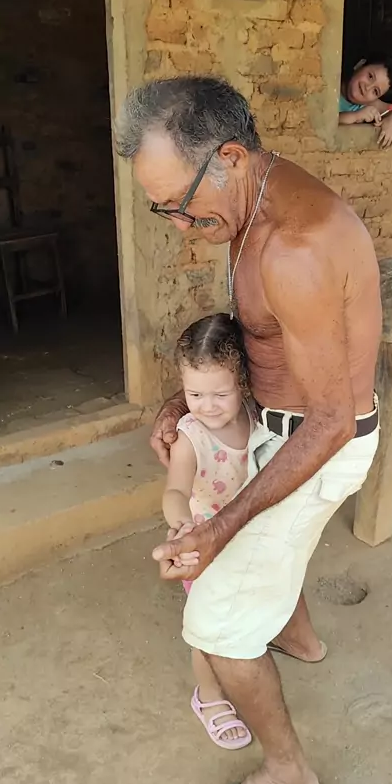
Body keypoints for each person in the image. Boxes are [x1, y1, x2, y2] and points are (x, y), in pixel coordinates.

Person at [116, 76, 382, 784]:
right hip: (289, 425)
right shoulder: (253, 197)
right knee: (261, 548)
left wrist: (220, 530)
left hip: (320, 445)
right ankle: (298, 634)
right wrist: (192, 398)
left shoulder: (295, 245)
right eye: (162, 208)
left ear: (229, 156)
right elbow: (263, 332)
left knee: (217, 623)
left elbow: (330, 422)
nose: (178, 225)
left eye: (178, 204)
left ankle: (291, 780)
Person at [160, 312, 253, 751]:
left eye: (220, 393)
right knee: (207, 630)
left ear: (243, 384)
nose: (207, 405)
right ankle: (210, 697)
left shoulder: (254, 417)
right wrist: (182, 526)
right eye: (194, 394)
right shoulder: (190, 436)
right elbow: (175, 490)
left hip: (246, 540)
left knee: (239, 613)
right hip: (203, 547)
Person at [339, 53, 392, 148]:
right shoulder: (327, 86)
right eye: (370, 76)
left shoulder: (369, 104)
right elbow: (325, 122)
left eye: (375, 91)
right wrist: (356, 116)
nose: (367, 87)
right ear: (359, 65)